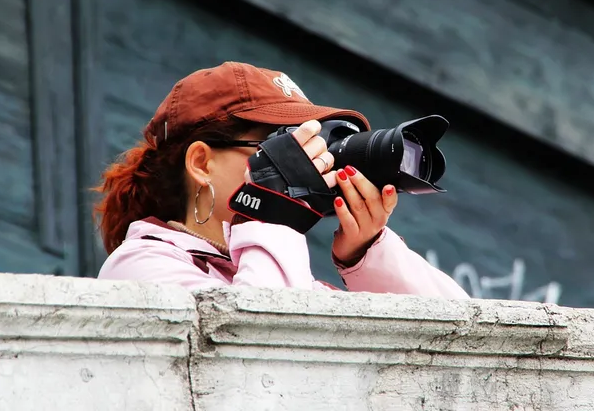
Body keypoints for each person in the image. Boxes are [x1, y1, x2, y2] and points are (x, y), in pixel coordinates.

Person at [95, 61, 469, 299]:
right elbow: (254, 362)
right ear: (201, 162)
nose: (307, 160)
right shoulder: (140, 268)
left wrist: (367, 252)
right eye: (279, 146)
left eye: (309, 143)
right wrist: (274, 215)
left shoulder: (290, 277)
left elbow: (465, 337)